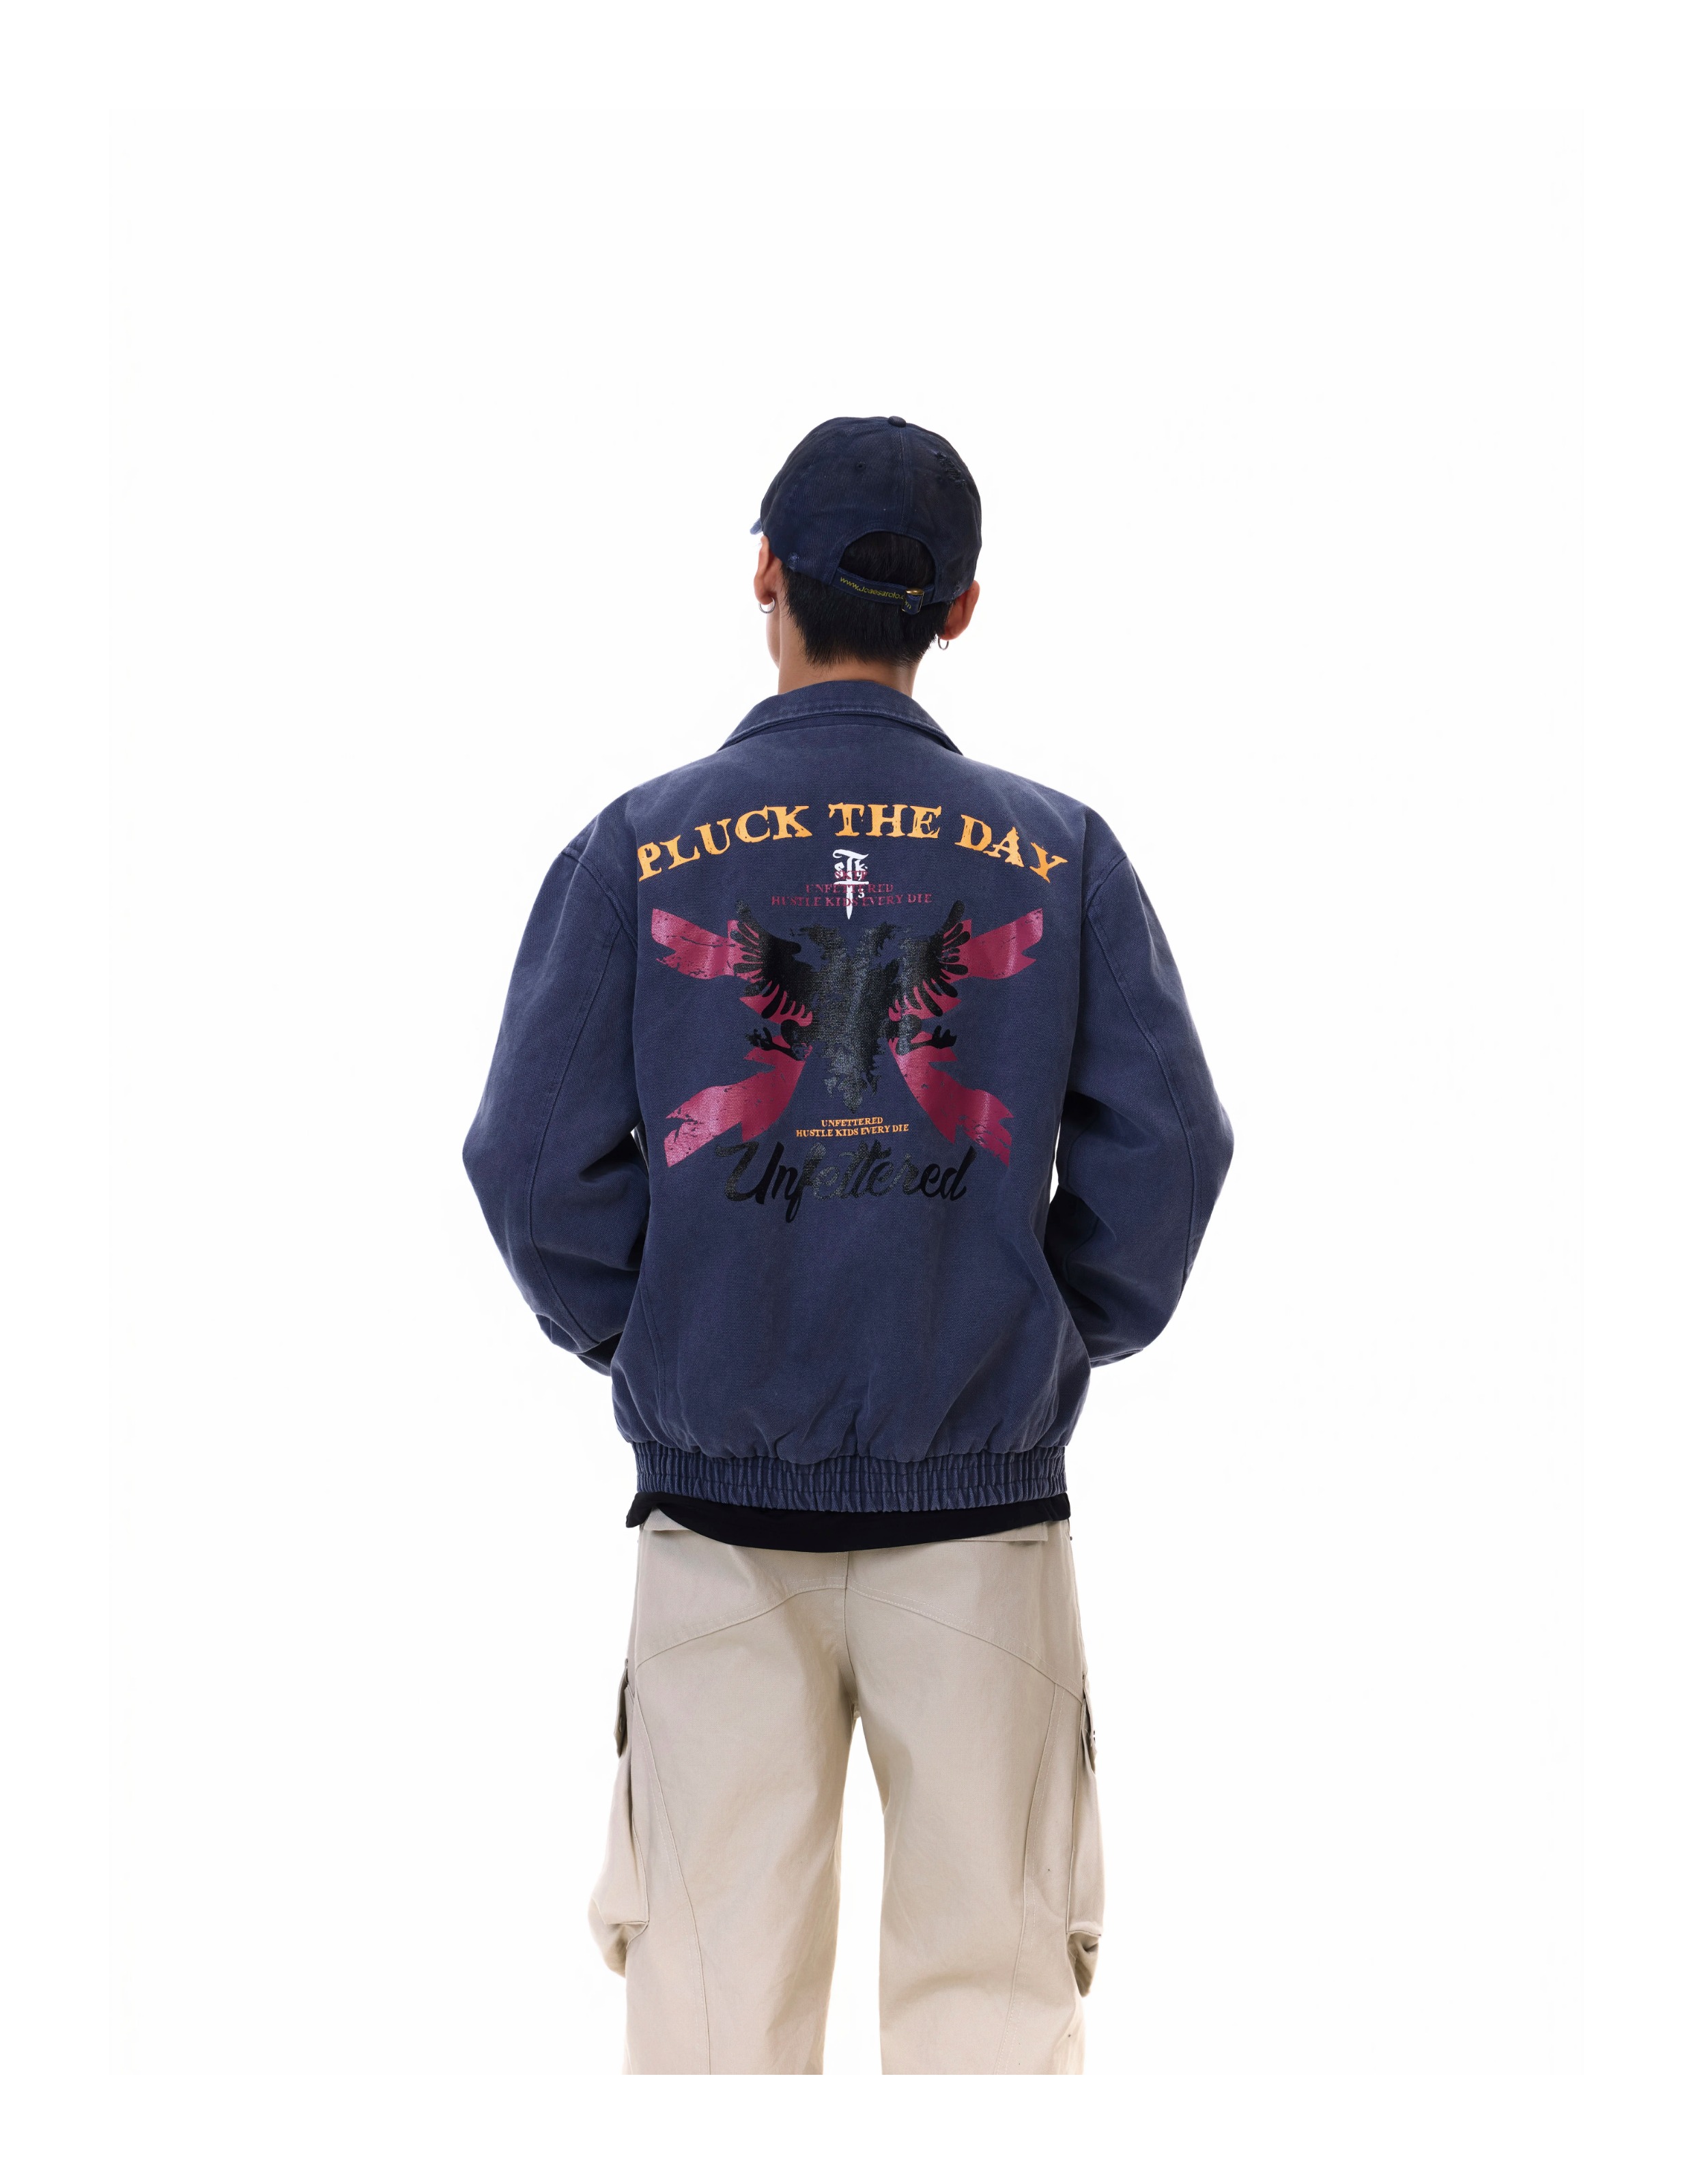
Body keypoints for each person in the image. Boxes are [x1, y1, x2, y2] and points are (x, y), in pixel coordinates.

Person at [464, 416, 1232, 2074]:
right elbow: (1170, 1151)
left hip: (717, 1528)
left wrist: (660, 1334)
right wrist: (1036, 1330)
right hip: (982, 1520)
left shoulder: (637, 842)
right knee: (995, 2007)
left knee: (710, 2011)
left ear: (763, 574)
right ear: (959, 609)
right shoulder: (1060, 849)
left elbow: (528, 1161)